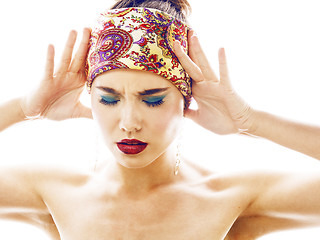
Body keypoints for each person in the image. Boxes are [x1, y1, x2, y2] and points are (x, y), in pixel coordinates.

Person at [0, 0, 320, 239]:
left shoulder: (229, 198)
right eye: (109, 99)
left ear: (185, 99)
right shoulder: (56, 193)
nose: (129, 122)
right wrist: (24, 108)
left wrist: (251, 122)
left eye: (152, 100)